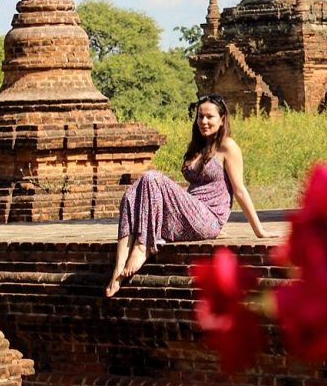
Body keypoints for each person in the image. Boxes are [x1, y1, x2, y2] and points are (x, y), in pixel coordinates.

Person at [105, 94, 272, 297]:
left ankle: (142, 248)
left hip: (208, 217)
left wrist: (259, 231)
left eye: (210, 117)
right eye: (200, 116)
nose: (203, 121)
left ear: (222, 119)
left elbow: (239, 190)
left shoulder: (228, 147)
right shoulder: (197, 147)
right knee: (131, 195)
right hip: (191, 211)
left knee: (151, 177)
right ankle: (118, 267)